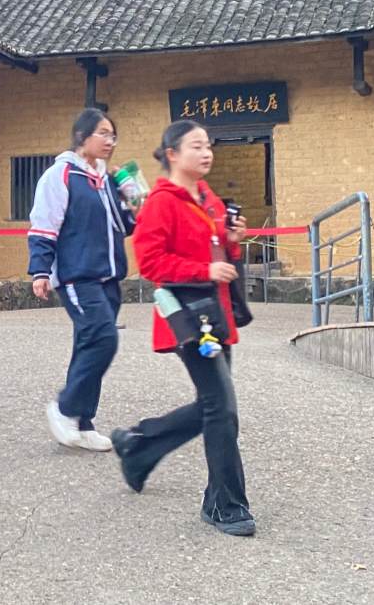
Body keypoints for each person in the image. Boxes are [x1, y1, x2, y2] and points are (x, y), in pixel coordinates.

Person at [110, 119, 255, 537]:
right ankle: (225, 504)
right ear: (172, 154)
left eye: (208, 145)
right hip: (188, 316)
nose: (206, 153)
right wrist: (203, 269)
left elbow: (219, 251)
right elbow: (151, 263)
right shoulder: (160, 202)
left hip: (217, 313)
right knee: (221, 408)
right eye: (196, 146)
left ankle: (138, 446)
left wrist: (232, 242)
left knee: (213, 405)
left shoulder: (207, 196)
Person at [28, 108, 136, 451]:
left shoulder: (107, 181)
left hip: (109, 278)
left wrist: (132, 200)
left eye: (113, 135)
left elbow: (127, 227)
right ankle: (64, 408)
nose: (109, 141)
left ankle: (83, 422)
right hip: (77, 276)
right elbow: (44, 225)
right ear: (81, 136)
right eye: (103, 133)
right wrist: (40, 270)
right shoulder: (60, 176)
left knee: (88, 345)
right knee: (103, 339)